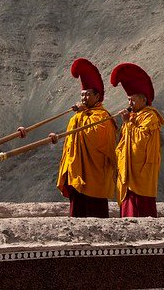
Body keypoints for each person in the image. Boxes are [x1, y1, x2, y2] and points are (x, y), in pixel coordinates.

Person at [56, 58, 118, 218]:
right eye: (82, 95)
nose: (84, 98)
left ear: (97, 96)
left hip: (94, 172)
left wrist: (82, 116)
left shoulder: (103, 117)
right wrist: (80, 115)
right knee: (77, 211)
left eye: (88, 95)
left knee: (95, 211)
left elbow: (97, 138)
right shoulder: (80, 115)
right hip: (78, 170)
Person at [111, 63, 164, 218]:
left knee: (141, 211)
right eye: (128, 100)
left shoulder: (150, 116)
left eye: (132, 100)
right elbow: (124, 141)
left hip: (141, 171)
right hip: (128, 171)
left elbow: (141, 140)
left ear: (143, 99)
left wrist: (128, 122)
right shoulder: (134, 116)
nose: (129, 103)